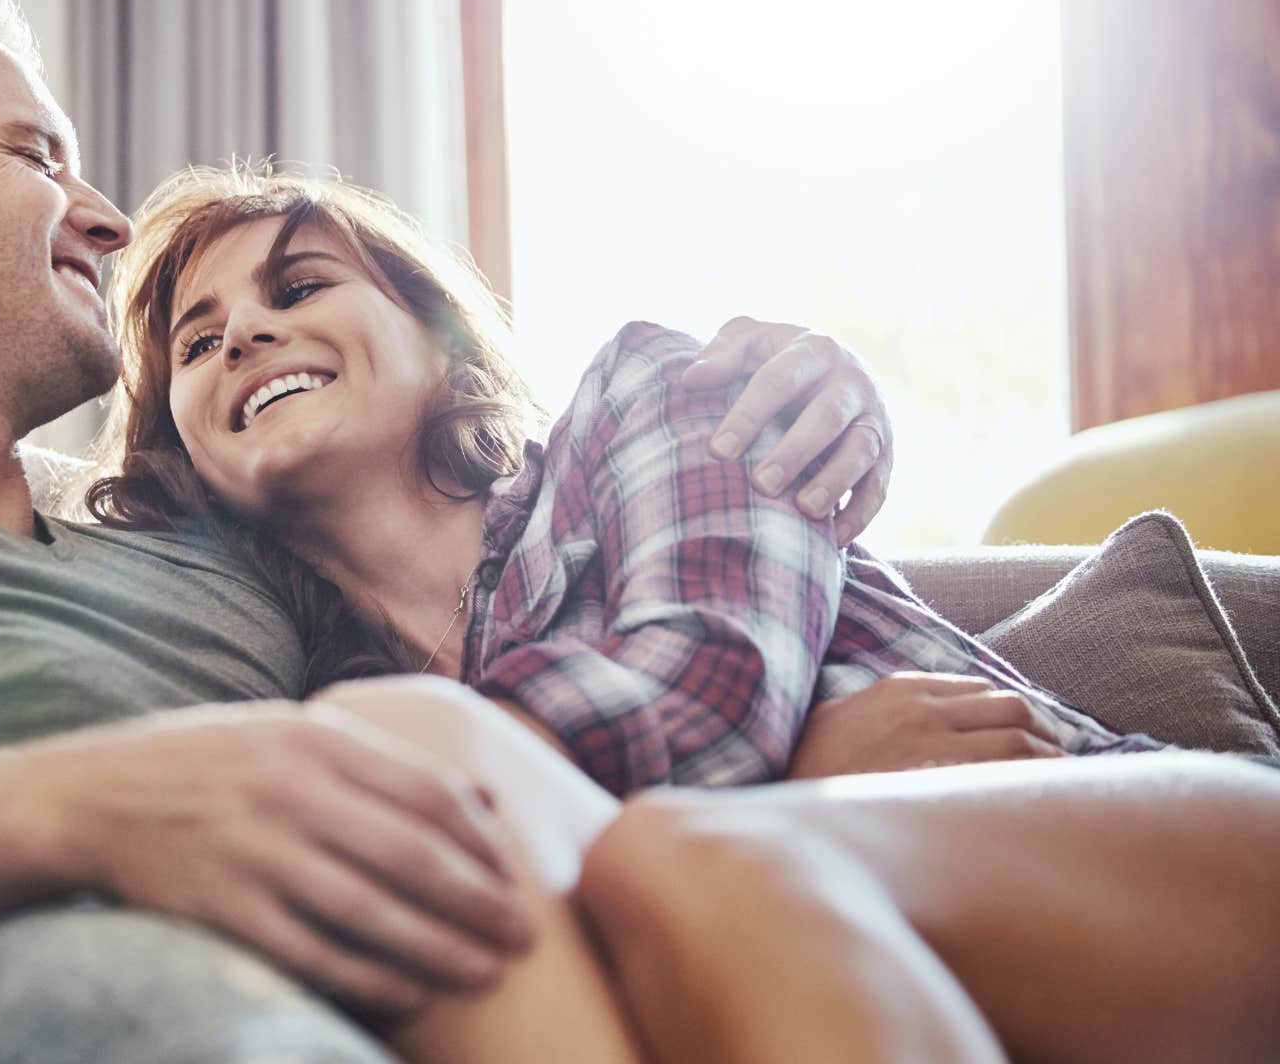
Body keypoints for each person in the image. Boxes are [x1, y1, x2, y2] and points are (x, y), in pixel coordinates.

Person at [0, 0, 902, 1064]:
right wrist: (67, 808)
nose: (104, 217)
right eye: (40, 153)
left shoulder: (218, 550)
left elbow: (510, 623)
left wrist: (808, 644)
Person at [85, 163, 1280, 1061]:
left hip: (1161, 855)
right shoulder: (322, 693)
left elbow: (712, 693)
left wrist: (763, 771)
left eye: (299, 286)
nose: (243, 331)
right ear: (184, 449)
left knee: (681, 850)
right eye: (198, 342)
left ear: (440, 343)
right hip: (858, 974)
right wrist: (811, 776)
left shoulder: (645, 400)